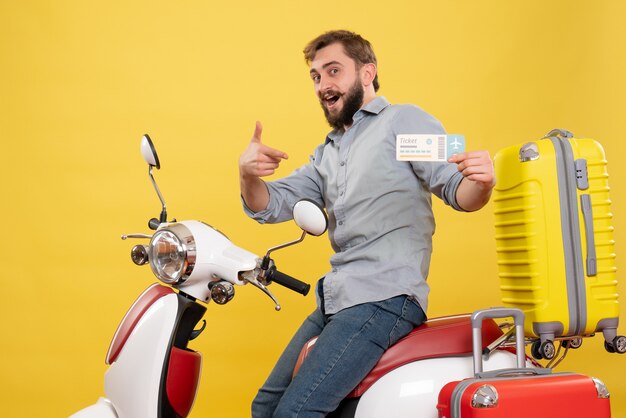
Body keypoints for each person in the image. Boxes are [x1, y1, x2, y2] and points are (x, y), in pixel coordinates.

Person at [239, 29, 495, 418]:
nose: (323, 84)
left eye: (333, 71)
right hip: (337, 299)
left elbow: (458, 188)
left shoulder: (403, 122)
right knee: (265, 407)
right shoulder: (327, 153)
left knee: (296, 413)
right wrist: (248, 176)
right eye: (316, 76)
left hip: (385, 298)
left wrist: (483, 182)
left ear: (366, 73)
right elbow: (273, 204)